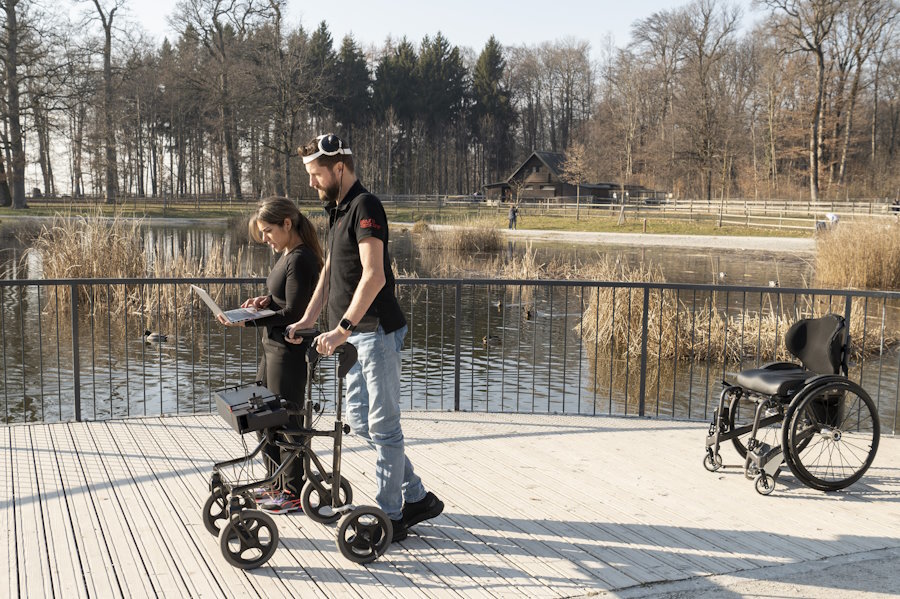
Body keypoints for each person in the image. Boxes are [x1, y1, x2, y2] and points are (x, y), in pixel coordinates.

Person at [286, 133, 443, 543]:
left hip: (375, 331)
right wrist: (309, 319)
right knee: (362, 421)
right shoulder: (338, 210)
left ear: (339, 168)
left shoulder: (366, 207)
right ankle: (417, 497)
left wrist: (342, 329)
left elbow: (374, 276)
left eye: (316, 174)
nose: (311, 183)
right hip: (353, 338)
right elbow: (330, 274)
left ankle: (390, 518)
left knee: (385, 427)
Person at [219, 196, 323, 514]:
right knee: (265, 420)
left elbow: (295, 312)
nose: (264, 239)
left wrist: (248, 318)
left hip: (289, 355)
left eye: (267, 231)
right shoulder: (289, 255)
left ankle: (292, 491)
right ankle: (275, 482)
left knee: (288, 420)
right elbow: (284, 302)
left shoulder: (302, 258)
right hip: (272, 350)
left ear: (286, 224)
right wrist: (264, 302)